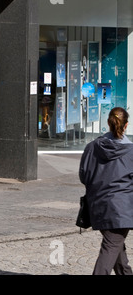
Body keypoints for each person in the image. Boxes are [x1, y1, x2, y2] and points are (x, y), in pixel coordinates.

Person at [79, 107, 133, 275]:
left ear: (108, 123)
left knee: (116, 248)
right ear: (126, 125)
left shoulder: (92, 146)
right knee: (111, 247)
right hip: (121, 210)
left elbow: (84, 176)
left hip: (98, 206)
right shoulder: (131, 151)